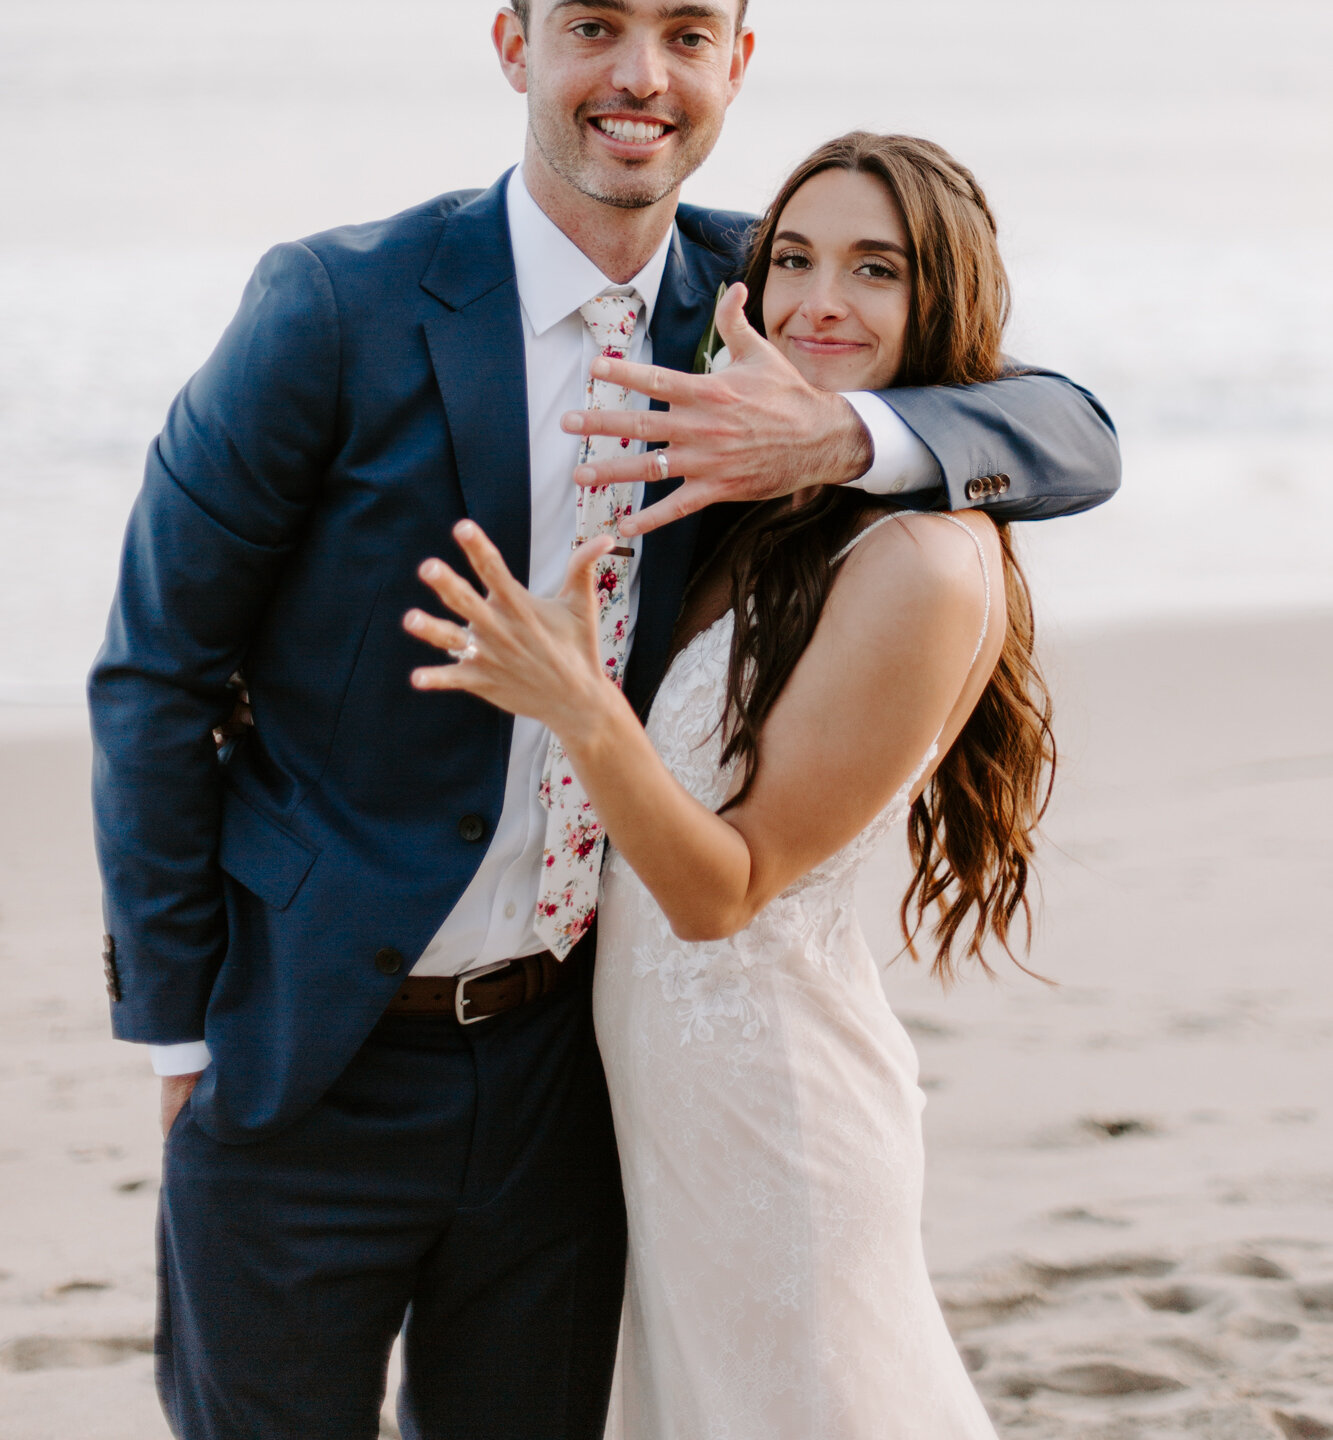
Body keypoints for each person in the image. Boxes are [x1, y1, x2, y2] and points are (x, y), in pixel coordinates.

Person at [89, 0, 1118, 1440]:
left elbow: (1067, 435)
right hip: (306, 1059)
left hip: (573, 1081)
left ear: (734, 67)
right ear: (513, 47)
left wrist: (835, 437)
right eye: (593, 25)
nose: (640, 75)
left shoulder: (767, 302)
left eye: (686, 33)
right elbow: (156, 674)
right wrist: (178, 1030)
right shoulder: (336, 305)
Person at [406, 131, 1038, 1438]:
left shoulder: (919, 562)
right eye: (793, 258)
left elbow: (723, 888)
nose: (819, 300)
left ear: (942, 305)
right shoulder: (782, 516)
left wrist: (581, 708)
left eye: (877, 270)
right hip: (664, 1106)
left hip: (776, 1117)